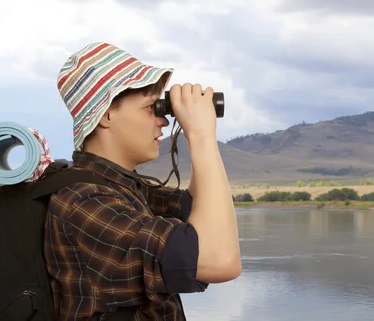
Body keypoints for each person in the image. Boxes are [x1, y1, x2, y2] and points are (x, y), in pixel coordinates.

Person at [44, 42, 242, 320]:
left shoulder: (127, 188)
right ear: (106, 114)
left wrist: (195, 127)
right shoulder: (84, 202)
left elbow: (203, 212)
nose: (162, 121)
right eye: (152, 107)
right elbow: (220, 261)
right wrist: (202, 137)